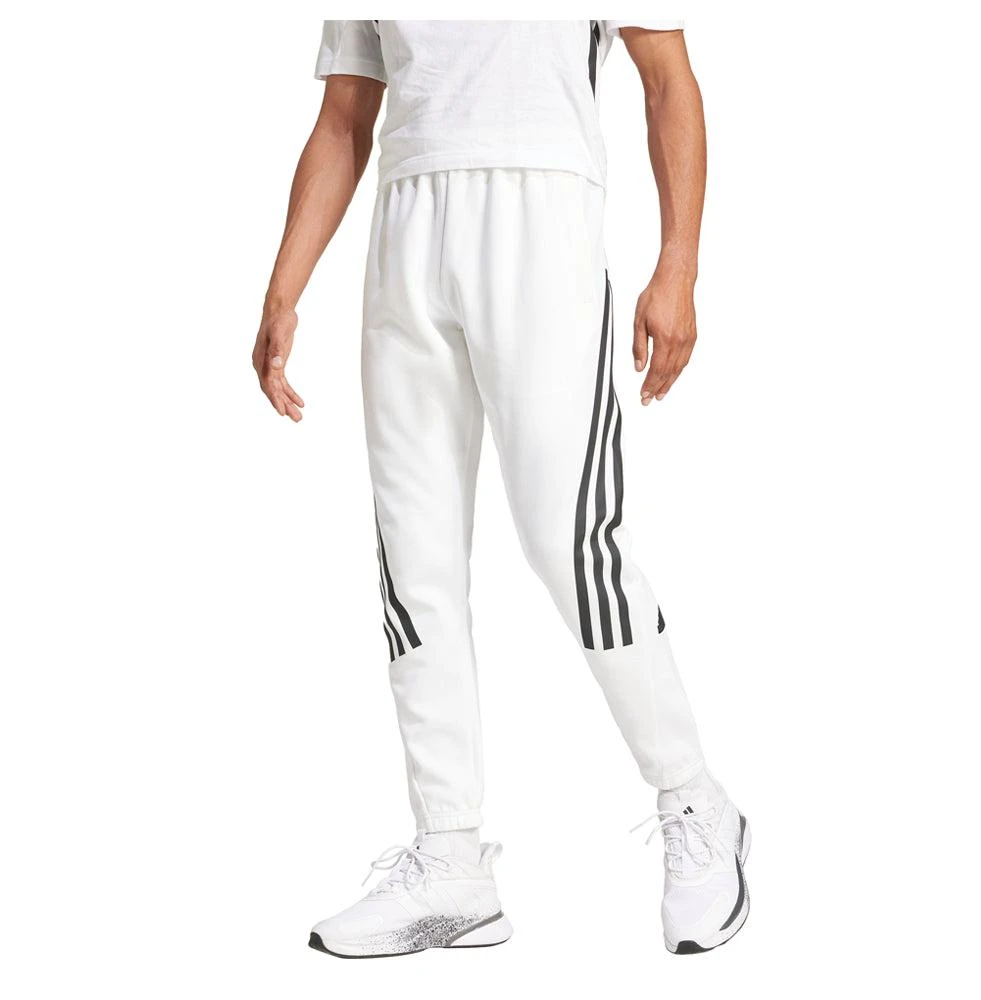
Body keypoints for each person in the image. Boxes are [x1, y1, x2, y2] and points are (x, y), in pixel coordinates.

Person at [253, 19, 749, 958]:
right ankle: (451, 858)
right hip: (405, 222)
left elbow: (668, 80)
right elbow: (346, 115)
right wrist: (285, 287)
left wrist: (678, 265)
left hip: (542, 210)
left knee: (573, 542)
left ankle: (696, 800)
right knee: (415, 556)